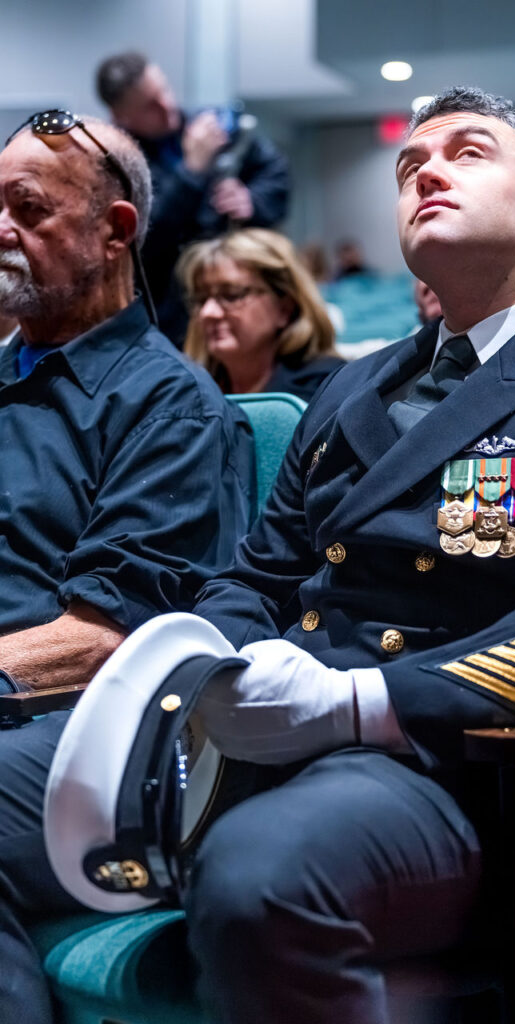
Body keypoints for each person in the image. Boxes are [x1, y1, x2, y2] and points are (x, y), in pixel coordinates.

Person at [2, 88, 515, 1024]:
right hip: (252, 738)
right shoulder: (351, 390)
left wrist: (353, 704)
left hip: (452, 762)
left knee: (258, 878)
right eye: (409, 165)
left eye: (466, 152)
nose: (427, 172)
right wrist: (214, 674)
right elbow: (255, 577)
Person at [0, 111, 252, 1018]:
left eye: (28, 208)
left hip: (91, 730)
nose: (1, 230)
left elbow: (103, 641)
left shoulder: (168, 406)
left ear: (114, 232)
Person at [95, 52, 290, 343]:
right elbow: (143, 239)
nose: (167, 106)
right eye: (150, 105)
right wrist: (192, 171)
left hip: (238, 288)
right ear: (121, 117)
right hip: (168, 314)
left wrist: (251, 200)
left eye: (163, 91)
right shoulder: (113, 163)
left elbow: (276, 173)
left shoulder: (211, 126)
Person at [178, 229, 344, 402]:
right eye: (201, 299)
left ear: (285, 309)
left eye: (232, 295)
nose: (207, 312)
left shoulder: (326, 388)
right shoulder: (184, 389)